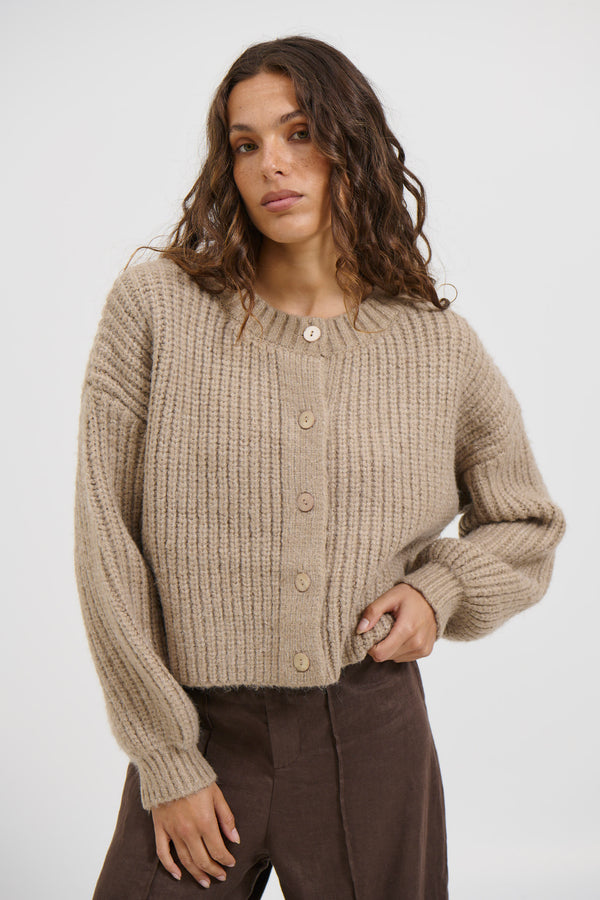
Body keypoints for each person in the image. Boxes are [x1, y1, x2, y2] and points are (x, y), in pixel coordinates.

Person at [73, 35, 566, 899]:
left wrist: (437, 592)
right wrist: (166, 755)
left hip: (370, 732)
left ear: (351, 144)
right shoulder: (157, 308)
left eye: (299, 133)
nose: (273, 164)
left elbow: (526, 521)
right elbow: (105, 537)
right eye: (246, 144)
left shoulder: (437, 346)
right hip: (200, 731)